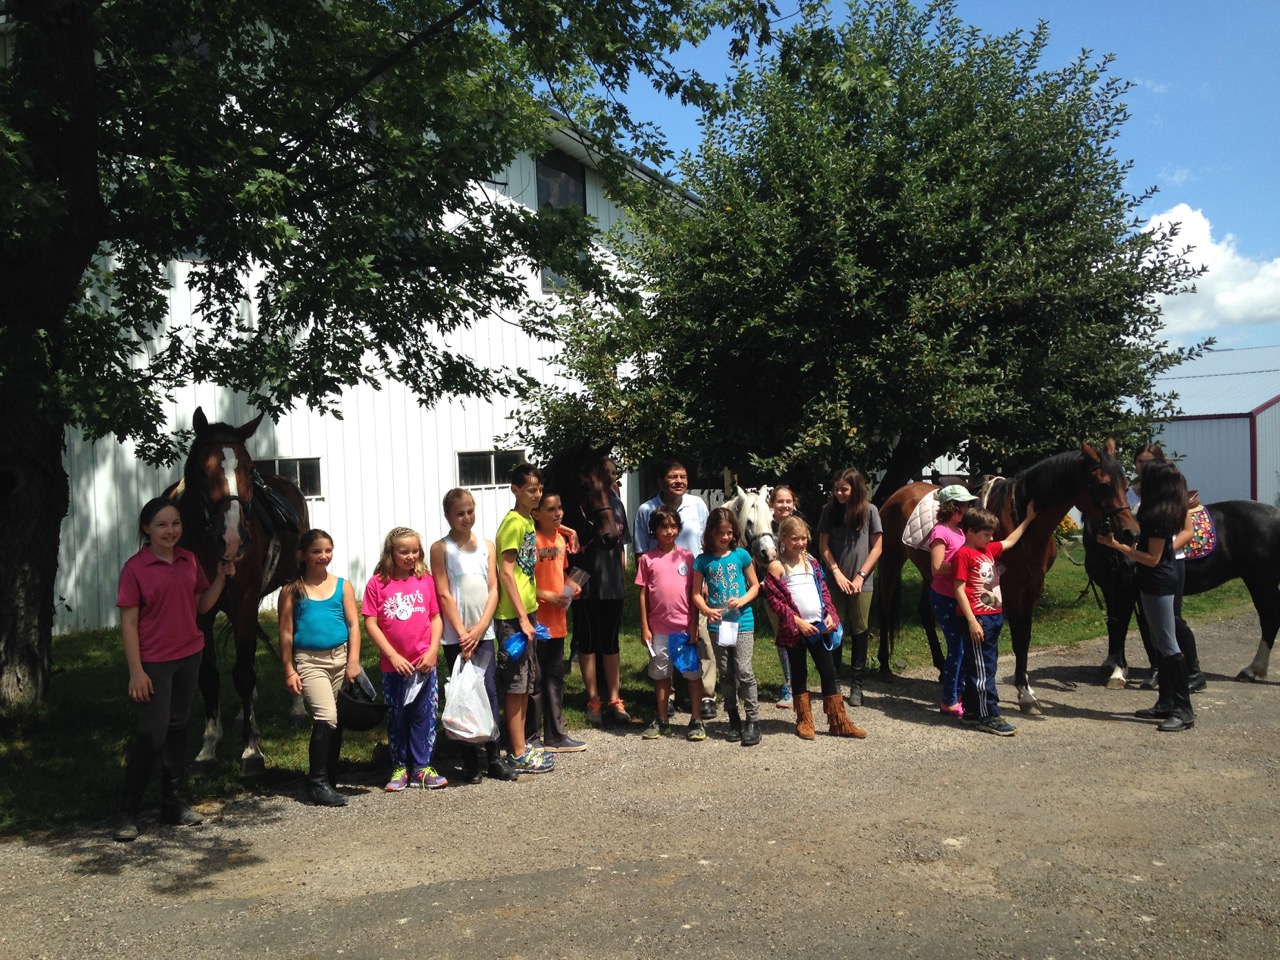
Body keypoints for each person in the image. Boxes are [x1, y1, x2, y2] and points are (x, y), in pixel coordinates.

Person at [114, 498, 232, 842]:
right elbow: (128, 622)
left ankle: (173, 804)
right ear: (146, 529)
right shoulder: (135, 569)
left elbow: (201, 605)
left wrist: (221, 579)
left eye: (175, 524)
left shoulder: (188, 559)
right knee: (153, 733)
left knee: (179, 727)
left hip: (188, 654)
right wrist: (136, 671)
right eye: (162, 525)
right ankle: (127, 812)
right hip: (153, 661)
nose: (170, 531)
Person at [1099, 460, 1196, 731]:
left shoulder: (1156, 515)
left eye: (1144, 479)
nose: (1138, 484)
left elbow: (1152, 559)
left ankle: (1183, 710)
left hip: (1158, 580)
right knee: (1158, 641)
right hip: (1158, 579)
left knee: (1167, 644)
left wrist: (1117, 545)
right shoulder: (1167, 507)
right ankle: (1166, 702)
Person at [430, 488, 516, 784]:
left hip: (484, 631)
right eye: (459, 513)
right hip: (457, 635)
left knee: (489, 691)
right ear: (448, 516)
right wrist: (463, 633)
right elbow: (443, 592)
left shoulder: (487, 546)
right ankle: (469, 761)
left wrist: (480, 629)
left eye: (470, 511)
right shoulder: (441, 548)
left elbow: (493, 589)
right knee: (463, 692)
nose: (466, 518)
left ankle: (494, 756)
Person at [761, 516, 867, 739]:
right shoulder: (777, 566)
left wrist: (830, 613)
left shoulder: (811, 561)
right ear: (782, 539)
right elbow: (774, 600)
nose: (800, 543)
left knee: (829, 672)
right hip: (794, 630)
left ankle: (838, 721)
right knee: (799, 673)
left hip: (818, 626)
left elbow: (824, 590)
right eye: (794, 539)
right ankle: (804, 720)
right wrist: (796, 621)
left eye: (803, 539)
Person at [278, 529, 361, 807]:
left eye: (328, 550)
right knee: (326, 716)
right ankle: (316, 783)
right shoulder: (292, 590)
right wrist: (289, 669)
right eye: (316, 551)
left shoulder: (342, 586)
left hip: (340, 658)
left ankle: (330, 775)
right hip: (309, 661)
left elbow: (353, 625)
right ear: (302, 555)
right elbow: (286, 632)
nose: (323, 556)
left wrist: (353, 662)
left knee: (335, 719)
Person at [362, 526, 447, 790]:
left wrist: (433, 651)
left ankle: (422, 767)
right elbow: (371, 623)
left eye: (415, 551)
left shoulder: (426, 580)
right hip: (394, 667)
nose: (411, 557)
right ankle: (400, 767)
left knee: (424, 716)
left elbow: (435, 617)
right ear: (391, 553)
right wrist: (392, 655)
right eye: (404, 552)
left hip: (424, 665)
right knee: (398, 716)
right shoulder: (378, 583)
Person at [634, 459, 716, 717]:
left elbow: (707, 543)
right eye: (673, 476)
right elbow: (641, 551)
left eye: (683, 476)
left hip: (695, 582)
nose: (679, 481)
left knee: (700, 638)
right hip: (662, 589)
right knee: (663, 644)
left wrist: (704, 581)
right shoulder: (647, 509)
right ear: (661, 481)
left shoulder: (698, 504)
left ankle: (705, 696)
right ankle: (667, 697)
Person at [953, 503, 1038, 736]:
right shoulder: (964, 554)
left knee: (981, 665)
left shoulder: (987, 549)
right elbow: (959, 589)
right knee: (984, 671)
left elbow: (1009, 541)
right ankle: (989, 715)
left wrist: (1028, 520)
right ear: (970, 531)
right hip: (977, 619)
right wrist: (971, 620)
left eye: (991, 534)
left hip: (992, 617)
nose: (990, 538)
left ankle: (971, 711)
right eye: (986, 534)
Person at [1128, 444, 1205, 693]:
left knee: (1173, 620)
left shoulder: (1172, 488)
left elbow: (1188, 530)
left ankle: (1192, 671)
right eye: (1140, 461)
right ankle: (1160, 674)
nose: (1142, 466)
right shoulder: (1131, 492)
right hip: (1143, 561)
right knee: (1152, 623)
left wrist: (1162, 549)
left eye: (1148, 462)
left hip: (1167, 561)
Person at [495, 462, 555, 773]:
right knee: (515, 685)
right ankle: (516, 750)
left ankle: (520, 745)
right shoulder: (514, 524)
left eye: (539, 489)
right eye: (531, 490)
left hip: (526, 613)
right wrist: (522, 618)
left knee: (526, 682)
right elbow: (506, 573)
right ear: (515, 490)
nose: (536, 494)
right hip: (512, 618)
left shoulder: (528, 521)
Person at [635, 505, 707, 741]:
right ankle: (663, 718)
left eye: (673, 526)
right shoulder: (647, 559)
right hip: (658, 630)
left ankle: (696, 719)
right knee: (661, 675)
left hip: (684, 627)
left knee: (692, 674)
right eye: (663, 527)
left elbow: (694, 594)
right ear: (654, 530)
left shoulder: (688, 557)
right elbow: (643, 594)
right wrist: (645, 627)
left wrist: (694, 625)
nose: (669, 531)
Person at [692, 507, 762, 745]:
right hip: (718, 626)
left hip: (742, 621)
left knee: (744, 670)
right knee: (726, 672)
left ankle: (753, 720)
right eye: (720, 533)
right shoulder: (702, 561)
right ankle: (733, 718)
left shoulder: (741, 555)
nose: (725, 538)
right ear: (710, 533)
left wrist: (742, 600)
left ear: (735, 533)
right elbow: (695, 594)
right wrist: (706, 610)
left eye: (729, 533)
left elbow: (755, 586)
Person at [571, 465, 632, 727]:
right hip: (585, 584)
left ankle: (615, 699)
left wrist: (622, 579)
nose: (608, 475)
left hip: (613, 585)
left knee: (611, 642)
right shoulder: (581, 504)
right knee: (587, 641)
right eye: (603, 471)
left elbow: (620, 547)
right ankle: (593, 699)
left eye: (612, 471)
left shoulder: (617, 503)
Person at [817, 467, 883, 705]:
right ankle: (834, 682)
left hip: (861, 584)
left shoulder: (870, 511)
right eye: (836, 489)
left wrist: (860, 576)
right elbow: (823, 545)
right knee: (834, 629)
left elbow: (877, 547)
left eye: (844, 489)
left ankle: (857, 684)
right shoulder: (829, 511)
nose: (839, 494)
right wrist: (836, 573)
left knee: (859, 630)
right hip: (835, 583)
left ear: (856, 489)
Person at [530, 491, 586, 751]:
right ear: (536, 513)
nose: (558, 514)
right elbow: (522, 583)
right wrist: (546, 596)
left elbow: (560, 574)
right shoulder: (531, 540)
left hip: (557, 621)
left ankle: (556, 736)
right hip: (535, 621)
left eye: (560, 508)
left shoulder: (561, 540)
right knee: (535, 679)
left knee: (555, 677)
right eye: (551, 509)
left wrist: (570, 585)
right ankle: (531, 738)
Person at [927, 486, 978, 717]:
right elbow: (937, 568)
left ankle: (958, 695)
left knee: (962, 648)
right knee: (956, 648)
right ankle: (948, 701)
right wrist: (964, 567)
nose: (969, 508)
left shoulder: (959, 531)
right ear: (954, 507)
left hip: (958, 596)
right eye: (965, 505)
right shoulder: (940, 532)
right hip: (944, 597)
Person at [765, 485, 801, 708]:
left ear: (794, 504)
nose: (784, 505)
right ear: (772, 505)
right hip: (774, 591)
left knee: (801, 634)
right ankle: (789, 684)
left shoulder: (799, 525)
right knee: (782, 635)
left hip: (798, 587)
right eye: (780, 501)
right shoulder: (764, 527)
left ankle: (800, 684)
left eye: (788, 501)